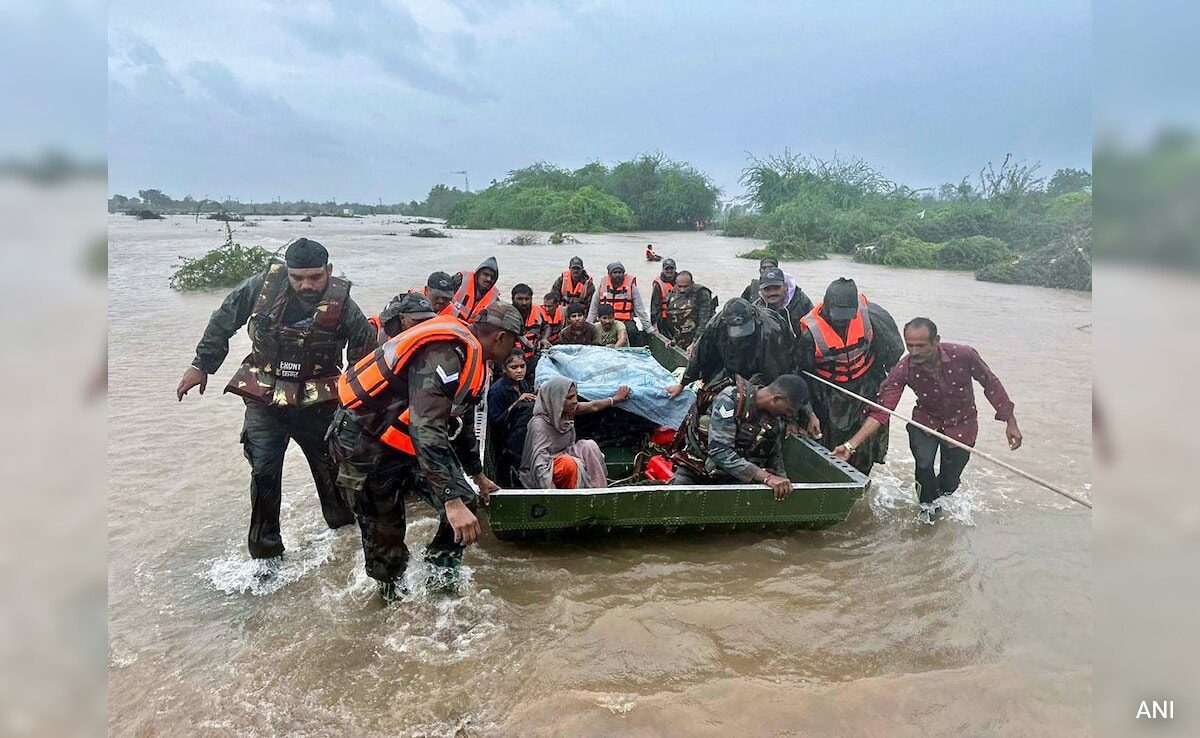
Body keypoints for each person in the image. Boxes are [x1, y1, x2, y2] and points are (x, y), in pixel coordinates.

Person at [176, 237, 375, 560]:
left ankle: (344, 540)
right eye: (297, 278)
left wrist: (364, 413)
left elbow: (364, 358)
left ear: (328, 271)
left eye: (314, 277)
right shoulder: (261, 288)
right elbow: (224, 319)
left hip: (318, 402)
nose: (306, 285)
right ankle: (265, 554)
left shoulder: (344, 305)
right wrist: (202, 365)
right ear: (287, 271)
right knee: (264, 471)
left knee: (332, 472)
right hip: (264, 398)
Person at [329, 304, 522, 601]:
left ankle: (438, 571)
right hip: (366, 446)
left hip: (407, 443)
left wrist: (477, 474)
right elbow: (427, 428)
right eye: (514, 342)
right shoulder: (444, 355)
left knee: (466, 499)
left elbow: (459, 419)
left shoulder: (476, 362)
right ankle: (389, 599)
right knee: (387, 543)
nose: (515, 350)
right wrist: (450, 499)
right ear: (500, 338)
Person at [834, 318, 1022, 520]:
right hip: (926, 422)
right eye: (910, 346)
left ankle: (939, 499)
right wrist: (851, 445)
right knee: (923, 466)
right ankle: (927, 512)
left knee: (949, 484)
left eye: (921, 346)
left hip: (962, 424)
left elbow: (990, 383)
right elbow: (882, 410)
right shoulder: (904, 368)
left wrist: (1010, 422)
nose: (914, 352)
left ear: (936, 341)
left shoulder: (964, 355)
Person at [797, 278, 903, 473]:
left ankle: (863, 474)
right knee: (828, 441)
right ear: (827, 307)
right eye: (837, 315)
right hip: (828, 390)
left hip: (865, 384)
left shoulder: (873, 316)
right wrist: (809, 412)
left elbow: (894, 352)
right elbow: (801, 374)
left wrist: (886, 383)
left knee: (867, 440)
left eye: (847, 316)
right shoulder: (811, 333)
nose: (842, 320)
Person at [671, 374, 812, 499]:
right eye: (788, 409)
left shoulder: (775, 419)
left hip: (735, 476)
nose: (788, 414)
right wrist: (767, 478)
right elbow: (720, 452)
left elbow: (775, 453)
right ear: (776, 399)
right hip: (697, 469)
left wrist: (782, 480)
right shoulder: (730, 400)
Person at [665, 298, 793, 398]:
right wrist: (682, 385)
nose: (740, 333)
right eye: (737, 331)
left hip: (762, 369)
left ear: (753, 316)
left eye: (744, 328)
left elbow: (777, 370)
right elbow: (700, 355)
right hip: (732, 365)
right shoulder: (716, 324)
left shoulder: (771, 331)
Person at [519, 377, 631, 489]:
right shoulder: (539, 424)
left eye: (575, 395)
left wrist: (616, 399)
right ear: (557, 400)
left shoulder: (567, 411)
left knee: (589, 446)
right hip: (546, 470)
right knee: (569, 464)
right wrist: (551, 497)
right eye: (569, 398)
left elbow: (593, 406)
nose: (575, 401)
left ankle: (598, 490)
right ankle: (574, 497)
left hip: (564, 456)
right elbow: (539, 465)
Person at [487, 350, 537, 487]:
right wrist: (515, 404)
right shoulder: (497, 391)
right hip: (508, 445)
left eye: (522, 366)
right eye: (514, 368)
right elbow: (495, 422)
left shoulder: (522, 384)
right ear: (504, 369)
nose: (519, 371)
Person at [587, 261, 657, 347]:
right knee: (593, 335)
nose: (617, 275)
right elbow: (593, 308)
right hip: (606, 320)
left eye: (620, 272)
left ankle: (632, 351)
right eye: (615, 272)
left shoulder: (631, 287)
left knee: (632, 332)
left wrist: (649, 328)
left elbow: (640, 309)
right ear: (609, 274)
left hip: (625, 321)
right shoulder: (602, 285)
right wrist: (588, 324)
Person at [752, 266, 814, 338]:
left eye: (776, 288)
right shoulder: (756, 310)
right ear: (761, 291)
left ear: (785, 286)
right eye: (767, 289)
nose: (772, 293)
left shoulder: (802, 303)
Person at [662, 270, 714, 351]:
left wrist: (694, 344)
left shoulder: (701, 293)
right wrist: (675, 340)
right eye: (679, 286)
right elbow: (675, 319)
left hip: (700, 339)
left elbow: (704, 322)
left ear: (692, 283)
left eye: (685, 286)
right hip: (682, 338)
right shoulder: (673, 294)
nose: (682, 290)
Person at [368, 292, 438, 344]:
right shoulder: (374, 332)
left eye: (428, 320)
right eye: (418, 320)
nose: (423, 325)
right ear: (402, 318)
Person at [443, 256, 499, 321]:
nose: (489, 279)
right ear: (478, 274)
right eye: (485, 274)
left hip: (468, 330)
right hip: (445, 322)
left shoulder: (494, 299)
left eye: (492, 277)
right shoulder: (459, 280)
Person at [511, 283, 551, 365]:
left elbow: (547, 326)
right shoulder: (507, 314)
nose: (524, 303)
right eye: (520, 299)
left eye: (527, 299)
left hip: (534, 355)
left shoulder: (538, 311)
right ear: (512, 299)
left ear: (531, 299)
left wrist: (544, 338)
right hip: (513, 359)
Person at [650, 258, 677, 332]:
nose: (669, 271)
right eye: (666, 269)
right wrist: (654, 323)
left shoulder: (681, 281)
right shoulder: (658, 284)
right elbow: (655, 305)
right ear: (663, 270)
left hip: (679, 316)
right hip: (664, 318)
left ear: (675, 269)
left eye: (671, 268)